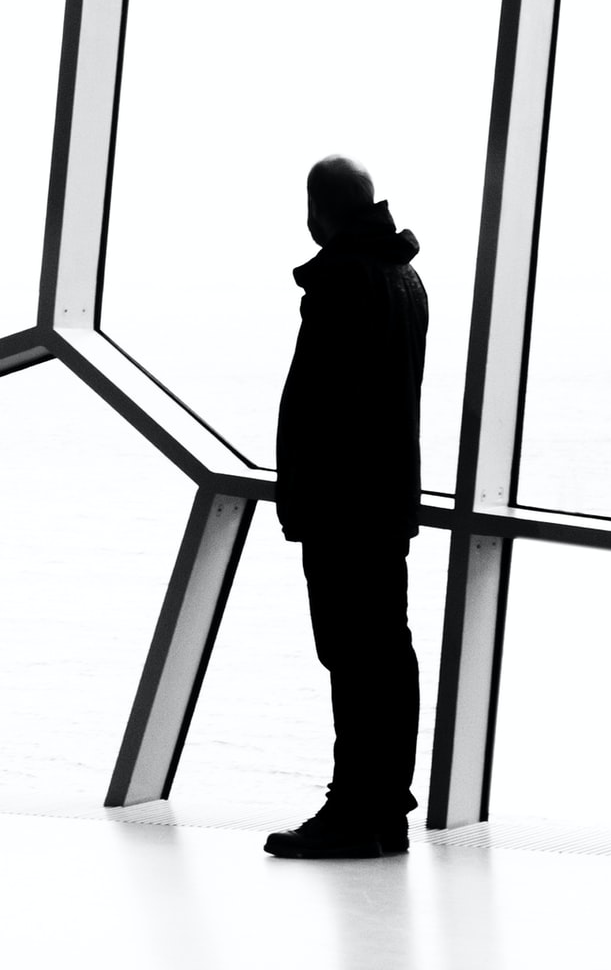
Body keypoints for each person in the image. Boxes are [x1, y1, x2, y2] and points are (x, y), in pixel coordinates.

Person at [264, 155, 428, 860]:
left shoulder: (338, 280)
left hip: (340, 500)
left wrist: (298, 492)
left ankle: (351, 810)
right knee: (388, 651)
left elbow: (318, 403)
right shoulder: (406, 278)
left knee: (352, 655)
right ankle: (384, 806)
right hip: (387, 497)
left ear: (319, 211)